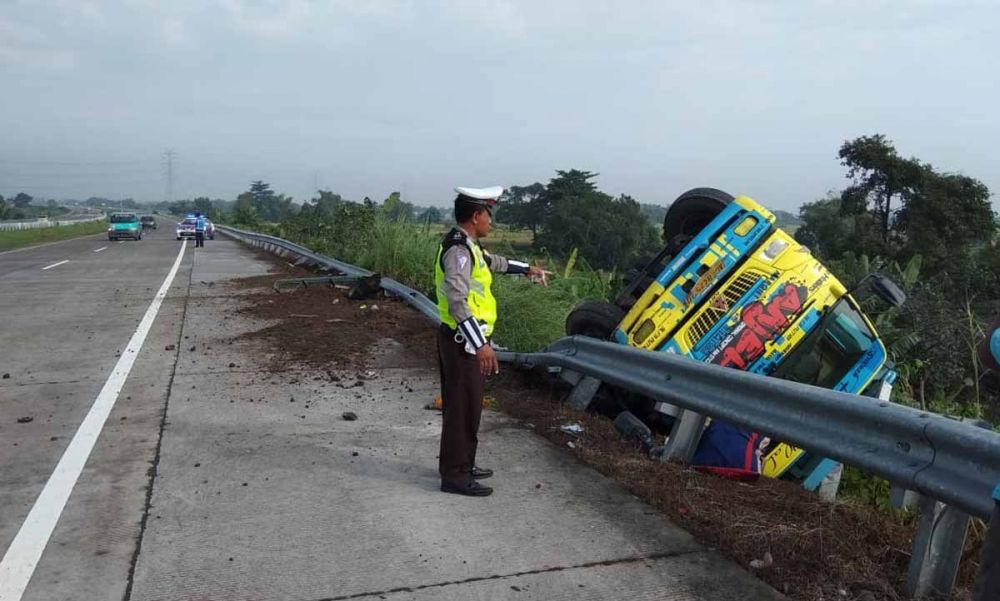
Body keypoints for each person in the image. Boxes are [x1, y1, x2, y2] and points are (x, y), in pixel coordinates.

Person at [435, 185, 549, 497]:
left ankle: (463, 464)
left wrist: (528, 269)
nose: (491, 222)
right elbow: (458, 302)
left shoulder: (469, 246)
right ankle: (455, 476)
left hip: (466, 341)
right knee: (461, 408)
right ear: (475, 216)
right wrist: (481, 345)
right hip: (464, 343)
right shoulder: (458, 251)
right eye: (488, 215)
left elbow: (492, 263)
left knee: (469, 407)